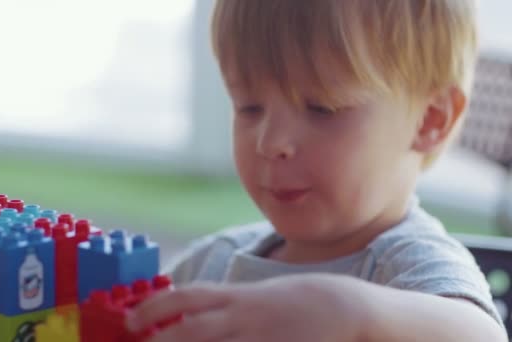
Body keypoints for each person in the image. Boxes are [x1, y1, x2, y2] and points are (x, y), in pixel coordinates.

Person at [125, 1, 509, 341]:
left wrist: (351, 312)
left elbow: (483, 334)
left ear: (430, 120)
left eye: (322, 108)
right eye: (248, 107)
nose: (270, 142)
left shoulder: (409, 270)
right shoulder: (211, 263)